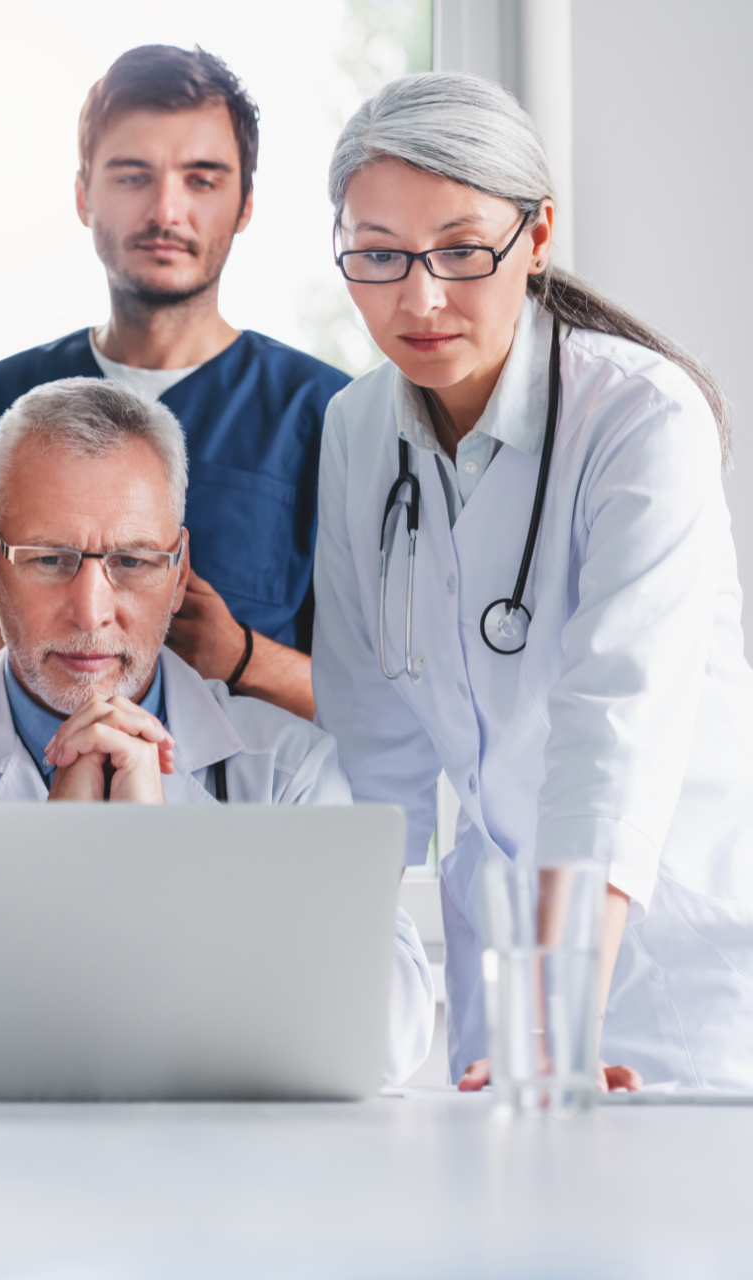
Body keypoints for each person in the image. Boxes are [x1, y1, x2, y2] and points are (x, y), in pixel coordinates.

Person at [312, 71, 753, 1091]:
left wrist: (555, 1016)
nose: (417, 297)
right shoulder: (355, 428)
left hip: (675, 966)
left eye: (461, 250)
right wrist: (336, 1007)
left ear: (537, 236)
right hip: (505, 974)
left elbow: (613, 729)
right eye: (376, 255)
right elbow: (370, 749)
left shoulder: (641, 417)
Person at [0, 378, 434, 1084]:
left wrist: (159, 863)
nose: (92, 611)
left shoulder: (285, 770)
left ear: (179, 573)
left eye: (133, 562)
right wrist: (54, 854)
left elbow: (387, 1033)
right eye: (49, 560)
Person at [0, 44, 349, 721]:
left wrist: (243, 659)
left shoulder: (331, 418)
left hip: (243, 819)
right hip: (22, 815)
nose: (166, 211)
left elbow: (392, 715)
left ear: (246, 203)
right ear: (85, 195)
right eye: (133, 176)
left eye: (202, 179)